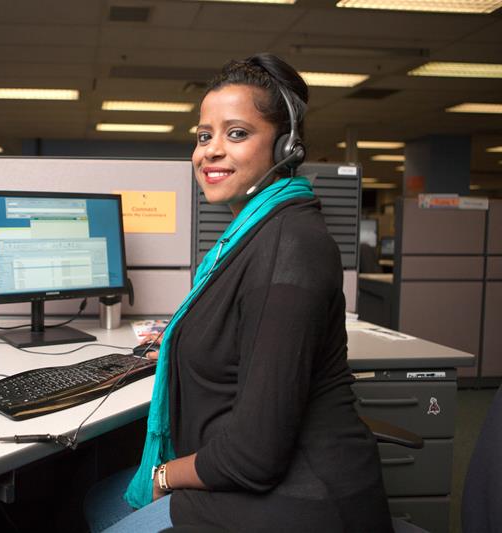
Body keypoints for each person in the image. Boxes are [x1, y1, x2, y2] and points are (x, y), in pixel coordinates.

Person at [83, 53, 392, 532]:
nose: (210, 150)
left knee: (94, 506)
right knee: (89, 494)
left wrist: (163, 476)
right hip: (263, 483)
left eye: (237, 133)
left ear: (285, 147)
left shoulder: (291, 248)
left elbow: (254, 456)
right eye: (204, 135)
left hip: (300, 503)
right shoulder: (255, 234)